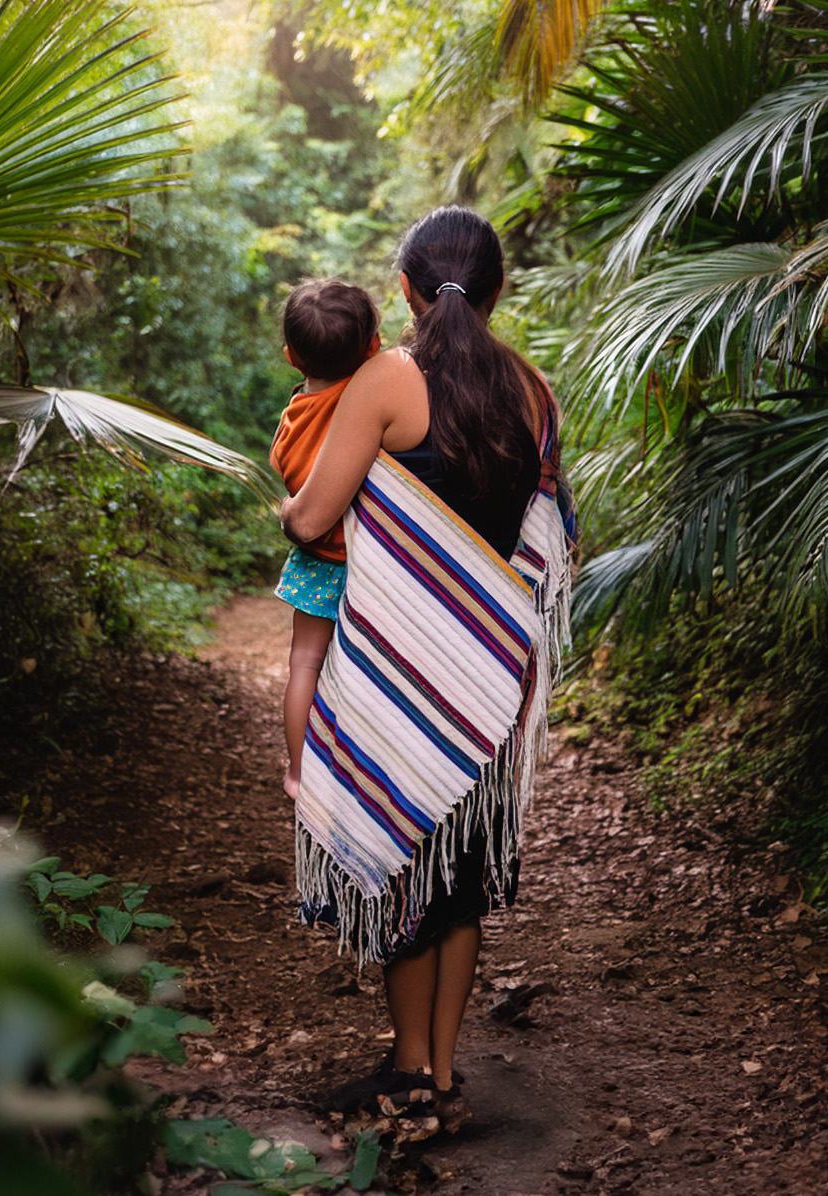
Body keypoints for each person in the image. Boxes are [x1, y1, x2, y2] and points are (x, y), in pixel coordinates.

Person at [278, 207, 574, 1134]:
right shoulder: (535, 392)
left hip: (399, 677)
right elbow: (548, 534)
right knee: (459, 875)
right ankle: (445, 1074)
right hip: (487, 679)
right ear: (498, 291)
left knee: (404, 862)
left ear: (404, 289)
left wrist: (301, 511)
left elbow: (311, 513)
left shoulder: (385, 379)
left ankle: (409, 1070)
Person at [269, 279, 381, 801]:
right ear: (373, 347)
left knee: (304, 665)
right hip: (366, 562)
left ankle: (297, 771)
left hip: (314, 564)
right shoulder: (365, 401)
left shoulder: (292, 416)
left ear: (291, 356)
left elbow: (285, 469)